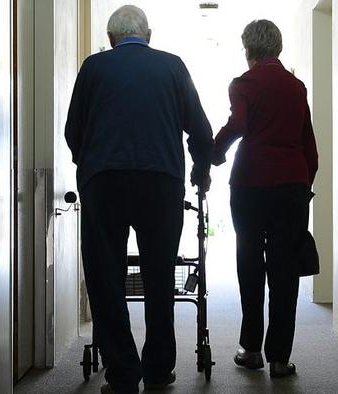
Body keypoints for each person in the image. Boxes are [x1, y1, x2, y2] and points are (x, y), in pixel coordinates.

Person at [65, 5, 213, 394]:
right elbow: (200, 129)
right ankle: (160, 370)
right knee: (160, 275)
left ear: (112, 38)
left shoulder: (93, 68)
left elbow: (72, 131)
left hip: (104, 181)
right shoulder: (173, 66)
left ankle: (123, 375)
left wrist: (92, 164)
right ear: (148, 34)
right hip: (160, 182)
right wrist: (202, 169)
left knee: (106, 278)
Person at [212, 19, 318, 378]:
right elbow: (309, 145)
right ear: (278, 47)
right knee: (285, 269)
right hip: (292, 184)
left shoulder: (243, 83)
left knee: (250, 264)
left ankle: (251, 350)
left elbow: (238, 125)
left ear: (248, 49)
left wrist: (214, 151)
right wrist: (305, 185)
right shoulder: (296, 86)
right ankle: (279, 358)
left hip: (250, 185)